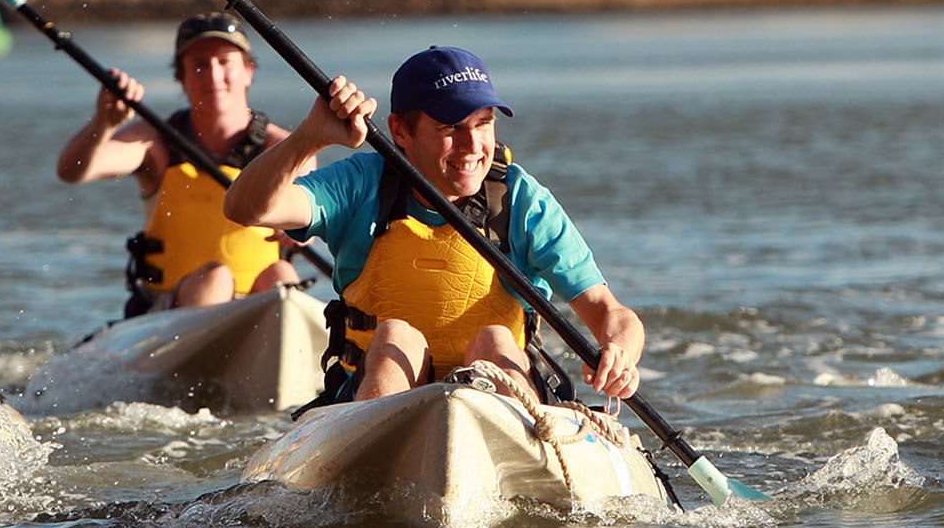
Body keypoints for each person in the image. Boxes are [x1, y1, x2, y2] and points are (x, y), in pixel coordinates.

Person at [224, 45, 644, 407]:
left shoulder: (520, 199)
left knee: (496, 342)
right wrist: (310, 138)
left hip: (498, 400)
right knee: (395, 339)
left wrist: (619, 353)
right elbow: (246, 208)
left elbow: (612, 313)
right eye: (449, 128)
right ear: (399, 131)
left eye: (483, 123)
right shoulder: (361, 183)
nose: (472, 145)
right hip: (380, 399)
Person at [56, 12, 306, 318]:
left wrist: (302, 229)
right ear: (180, 76)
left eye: (224, 62)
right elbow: (74, 170)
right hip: (169, 313)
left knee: (283, 277)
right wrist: (103, 124)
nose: (213, 76)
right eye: (200, 65)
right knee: (215, 277)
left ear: (248, 71)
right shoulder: (153, 141)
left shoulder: (283, 148)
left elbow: (312, 215)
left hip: (258, 314)